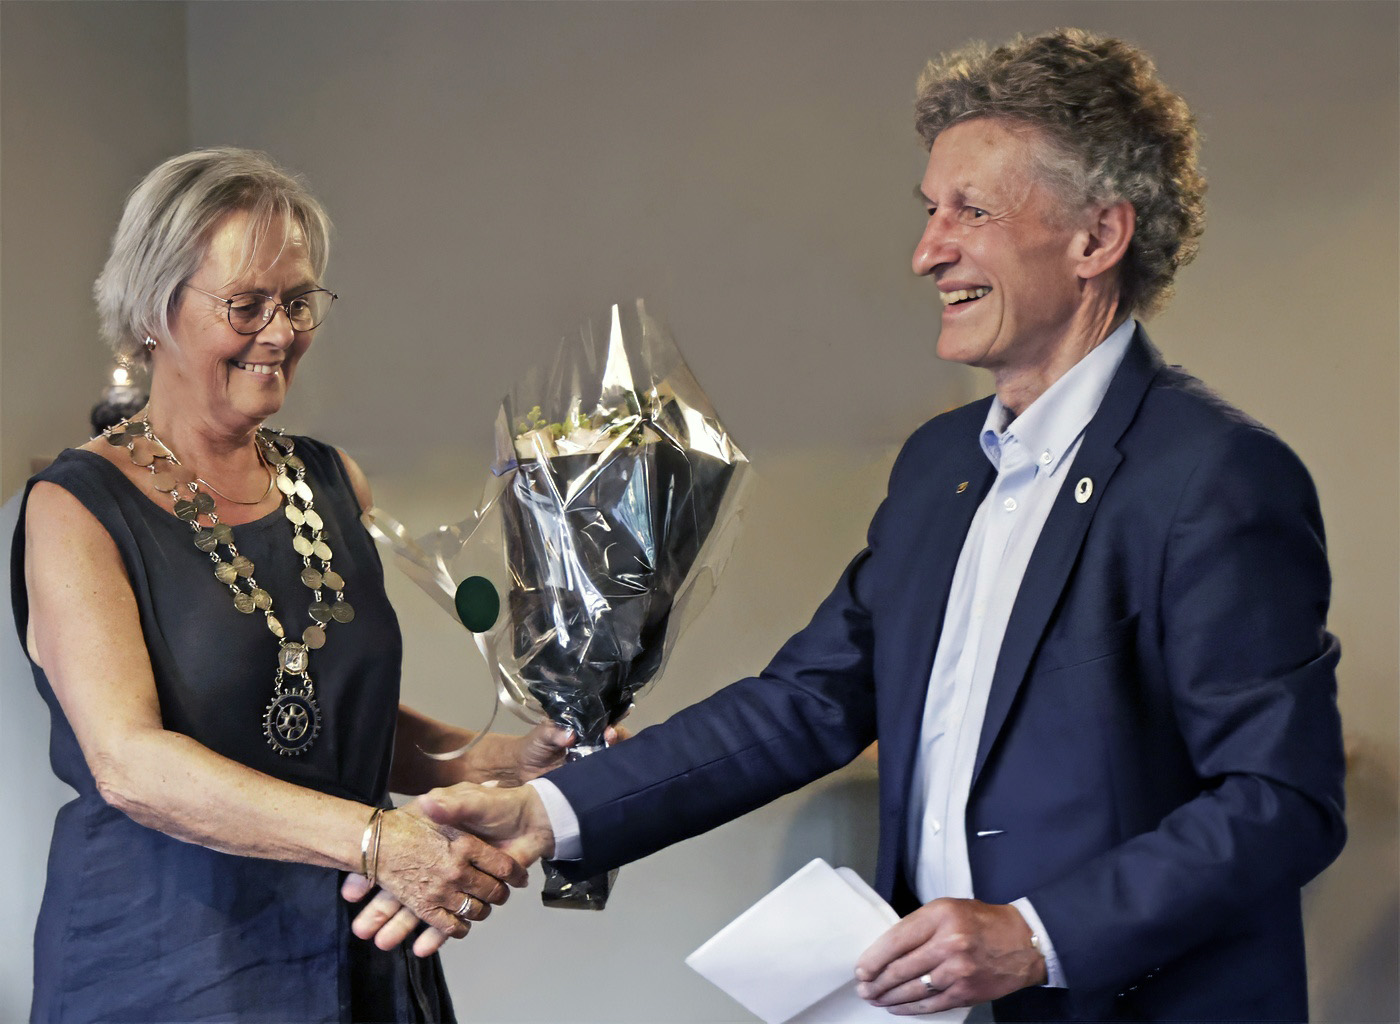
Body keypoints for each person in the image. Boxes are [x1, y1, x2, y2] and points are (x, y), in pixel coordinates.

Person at [407, 28, 1348, 1022]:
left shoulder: (1215, 476)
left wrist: (1036, 938)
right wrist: (548, 812)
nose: (926, 251)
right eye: (930, 210)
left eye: (970, 212)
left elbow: (1281, 800)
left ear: (1096, 239)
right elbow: (805, 702)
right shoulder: (939, 465)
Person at [11, 147, 580, 1023]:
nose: (280, 334)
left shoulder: (333, 480)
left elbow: (329, 725)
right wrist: (376, 840)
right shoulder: (76, 506)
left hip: (361, 945)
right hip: (172, 966)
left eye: (299, 302)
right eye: (246, 305)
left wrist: (510, 758)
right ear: (154, 309)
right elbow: (129, 765)